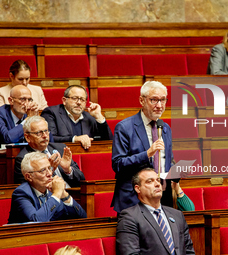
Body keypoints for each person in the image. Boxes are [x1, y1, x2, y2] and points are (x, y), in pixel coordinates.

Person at [111, 81, 174, 213]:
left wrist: (177, 170)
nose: (159, 105)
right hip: (133, 200)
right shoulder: (124, 127)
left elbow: (166, 161)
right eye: (154, 100)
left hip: (162, 198)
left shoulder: (165, 128)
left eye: (163, 100)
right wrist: (147, 154)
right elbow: (118, 164)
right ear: (142, 100)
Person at [116, 168, 195, 255]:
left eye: (158, 180)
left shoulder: (177, 215)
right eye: (150, 181)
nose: (157, 184)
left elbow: (189, 251)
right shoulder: (130, 217)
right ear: (138, 189)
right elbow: (130, 253)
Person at [8, 152, 87, 224]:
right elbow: (35, 221)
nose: (49, 174)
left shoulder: (51, 190)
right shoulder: (21, 193)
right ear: (29, 176)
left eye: (49, 168)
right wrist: (56, 194)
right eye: (42, 170)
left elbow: (82, 218)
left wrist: (65, 196)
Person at [14, 116, 85, 187]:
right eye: (39, 133)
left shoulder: (61, 148)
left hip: (73, 194)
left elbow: (82, 180)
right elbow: (30, 189)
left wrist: (68, 170)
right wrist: (50, 169)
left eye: (46, 131)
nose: (45, 136)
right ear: (27, 137)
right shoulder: (23, 159)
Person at [41, 85, 112, 149]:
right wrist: (75, 139)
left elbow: (109, 141)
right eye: (75, 98)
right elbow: (49, 139)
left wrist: (99, 117)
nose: (79, 102)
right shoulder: (51, 113)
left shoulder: (89, 117)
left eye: (82, 99)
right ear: (64, 100)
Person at [0, 85, 39, 152]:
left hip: (19, 156)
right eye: (22, 99)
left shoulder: (28, 115)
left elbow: (46, 138)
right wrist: (29, 119)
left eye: (29, 100)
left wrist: (36, 119)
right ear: (11, 101)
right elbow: (8, 139)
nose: (27, 104)